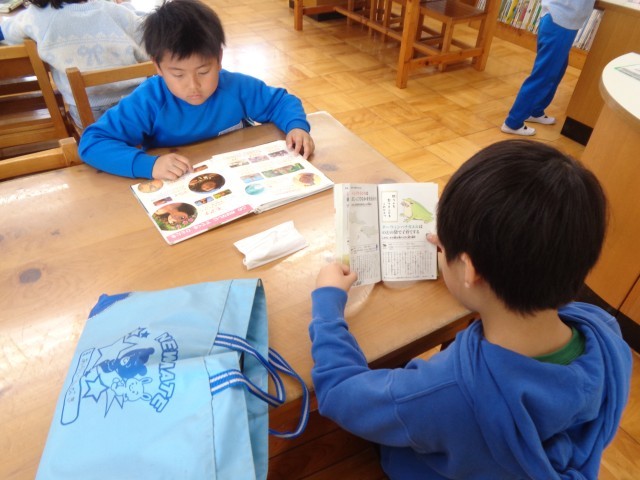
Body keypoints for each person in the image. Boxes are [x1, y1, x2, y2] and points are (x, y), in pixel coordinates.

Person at [309, 139, 632, 479]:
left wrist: (327, 303)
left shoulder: (446, 394)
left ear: (471, 270)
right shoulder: (607, 335)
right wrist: (466, 268)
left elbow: (339, 393)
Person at [78, 0, 315, 181]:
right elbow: (92, 142)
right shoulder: (149, 100)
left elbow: (281, 102)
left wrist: (296, 126)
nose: (193, 86)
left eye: (203, 71)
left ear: (219, 59)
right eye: (178, 74)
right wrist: (149, 165)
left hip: (241, 176)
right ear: (157, 66)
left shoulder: (236, 87)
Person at [0, 0, 148, 129]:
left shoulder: (36, 16)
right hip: (139, 105)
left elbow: (4, 32)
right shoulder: (118, 12)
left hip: (88, 114)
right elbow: (148, 47)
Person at [501, 0, 596, 136]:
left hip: (560, 18)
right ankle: (513, 123)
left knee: (557, 70)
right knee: (544, 75)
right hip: (561, 21)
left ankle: (535, 110)